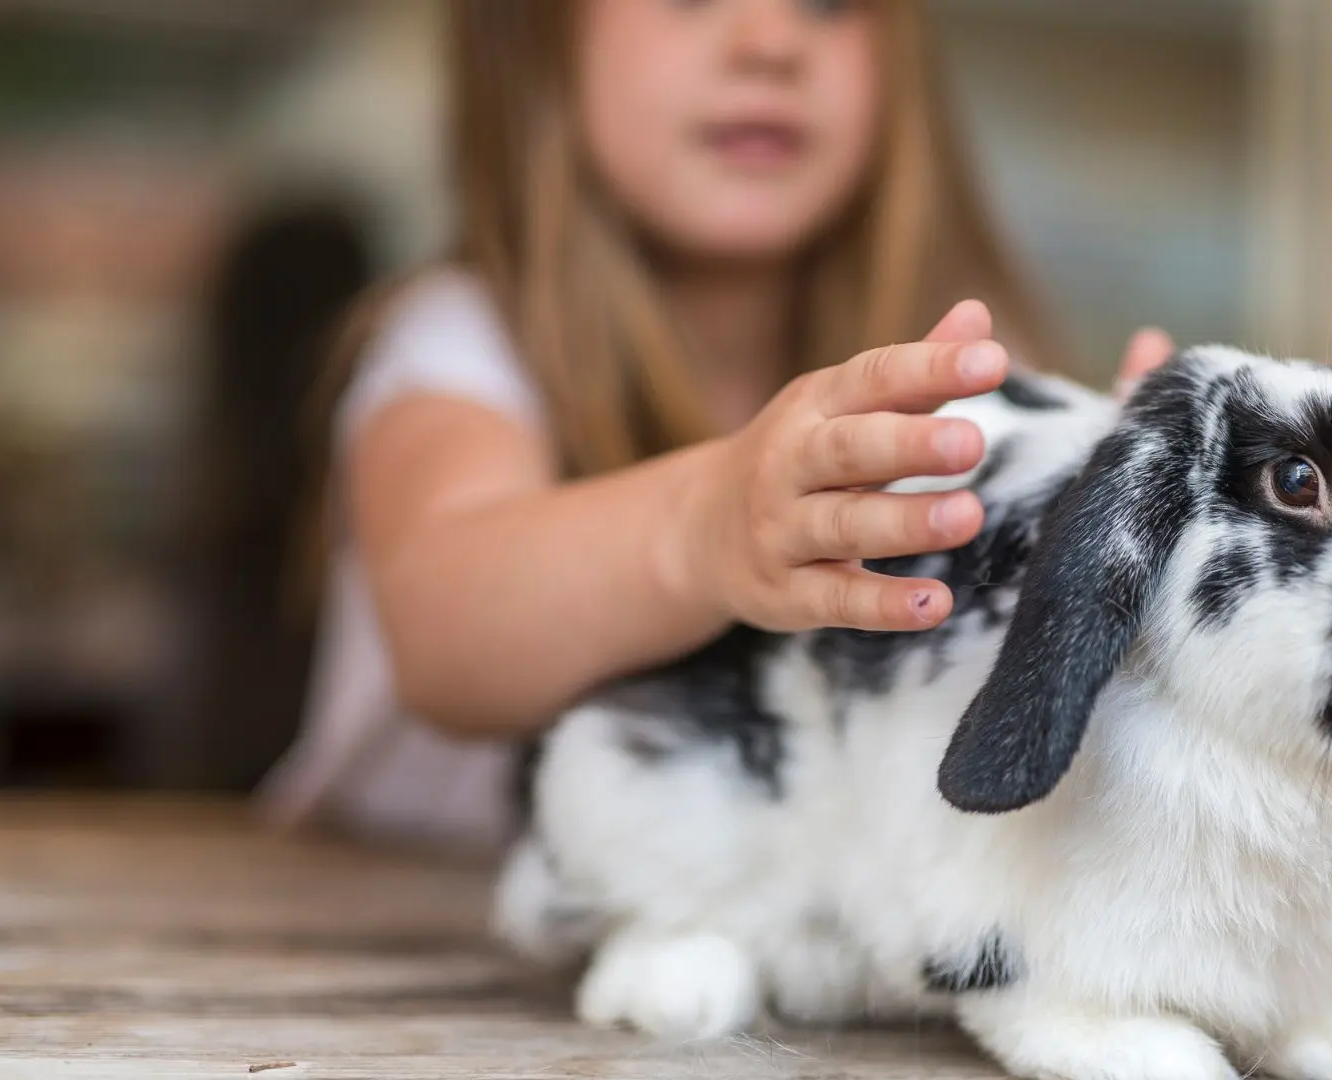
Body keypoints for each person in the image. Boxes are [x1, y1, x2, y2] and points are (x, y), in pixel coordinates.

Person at [257, 0, 1174, 855]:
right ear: (531, 37)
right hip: (399, 933)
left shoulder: (953, 367)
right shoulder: (460, 341)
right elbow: (444, 628)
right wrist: (703, 530)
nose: (769, 41)